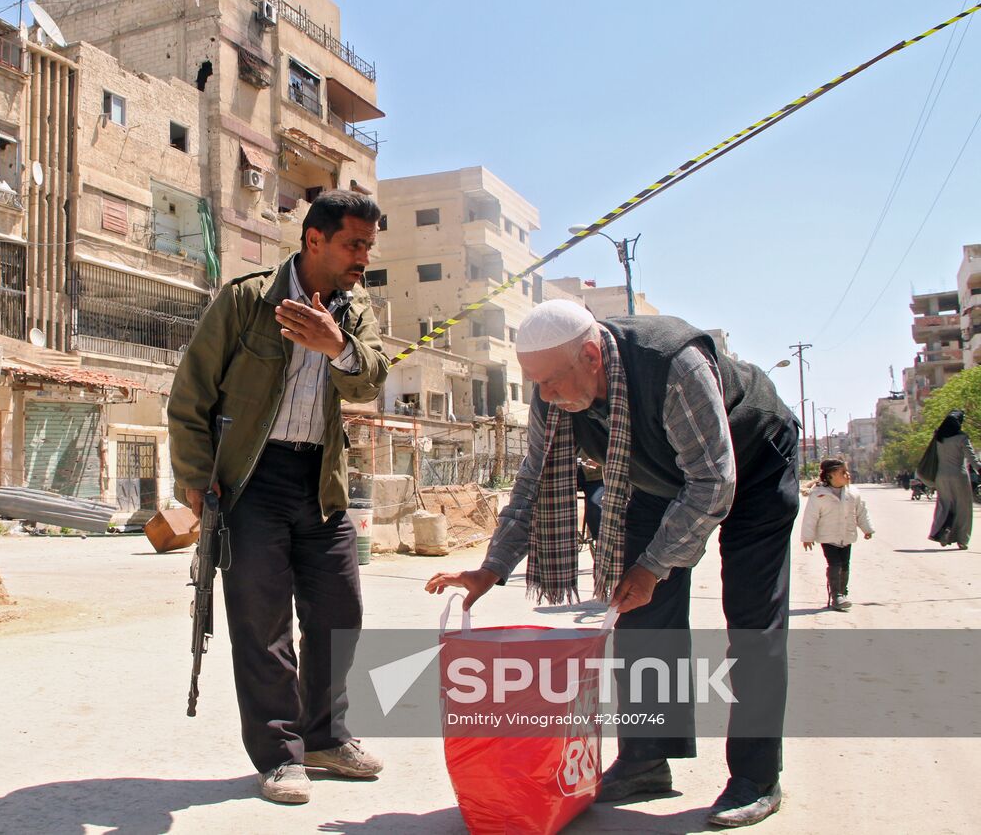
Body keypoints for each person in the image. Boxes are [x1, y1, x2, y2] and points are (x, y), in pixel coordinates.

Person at [425, 300, 800, 828]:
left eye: (553, 381)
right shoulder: (551, 391)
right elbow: (532, 484)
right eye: (538, 384)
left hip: (753, 461)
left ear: (590, 355)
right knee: (642, 618)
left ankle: (756, 778)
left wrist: (655, 565)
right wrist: (491, 567)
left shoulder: (673, 364)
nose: (547, 395)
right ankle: (647, 760)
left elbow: (714, 482)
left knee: (753, 622)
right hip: (653, 479)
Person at [167, 190, 388, 805]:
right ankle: (279, 755)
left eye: (368, 246)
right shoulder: (247, 298)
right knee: (262, 625)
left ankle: (324, 736)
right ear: (313, 240)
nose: (363, 258)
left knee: (339, 613)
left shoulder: (355, 308)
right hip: (251, 480)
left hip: (321, 481)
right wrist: (195, 475)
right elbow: (190, 397)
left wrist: (334, 344)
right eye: (354, 244)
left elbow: (372, 377)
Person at [801, 458, 873, 611]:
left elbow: (860, 512)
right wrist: (807, 537)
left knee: (845, 565)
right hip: (828, 538)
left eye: (847, 472)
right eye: (843, 472)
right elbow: (810, 517)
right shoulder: (819, 495)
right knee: (835, 565)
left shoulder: (853, 493)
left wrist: (867, 529)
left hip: (846, 536)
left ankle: (843, 592)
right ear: (831, 475)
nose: (848, 475)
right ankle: (836, 596)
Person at [921, 410, 978, 548]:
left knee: (944, 505)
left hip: (941, 477)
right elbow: (972, 458)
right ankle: (962, 540)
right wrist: (979, 469)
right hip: (959, 475)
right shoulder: (961, 437)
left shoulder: (939, 437)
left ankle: (942, 534)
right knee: (963, 508)